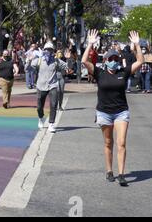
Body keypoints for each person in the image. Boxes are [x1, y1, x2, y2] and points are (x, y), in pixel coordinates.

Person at [83, 30, 144, 187]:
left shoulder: (123, 73)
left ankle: (121, 174)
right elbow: (84, 61)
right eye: (111, 58)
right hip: (104, 112)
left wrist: (137, 45)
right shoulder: (99, 73)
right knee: (108, 142)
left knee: (121, 142)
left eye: (116, 58)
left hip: (121, 112)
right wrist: (90, 44)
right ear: (105, 60)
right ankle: (109, 171)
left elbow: (140, 62)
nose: (114, 61)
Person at [26, 41, 69, 133]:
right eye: (47, 50)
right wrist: (29, 60)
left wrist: (68, 59)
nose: (49, 51)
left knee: (53, 105)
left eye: (50, 50)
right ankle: (41, 118)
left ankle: (51, 124)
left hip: (53, 85)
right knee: (39, 106)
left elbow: (66, 67)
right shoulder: (39, 60)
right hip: (41, 86)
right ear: (44, 50)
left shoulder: (56, 60)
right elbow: (28, 69)